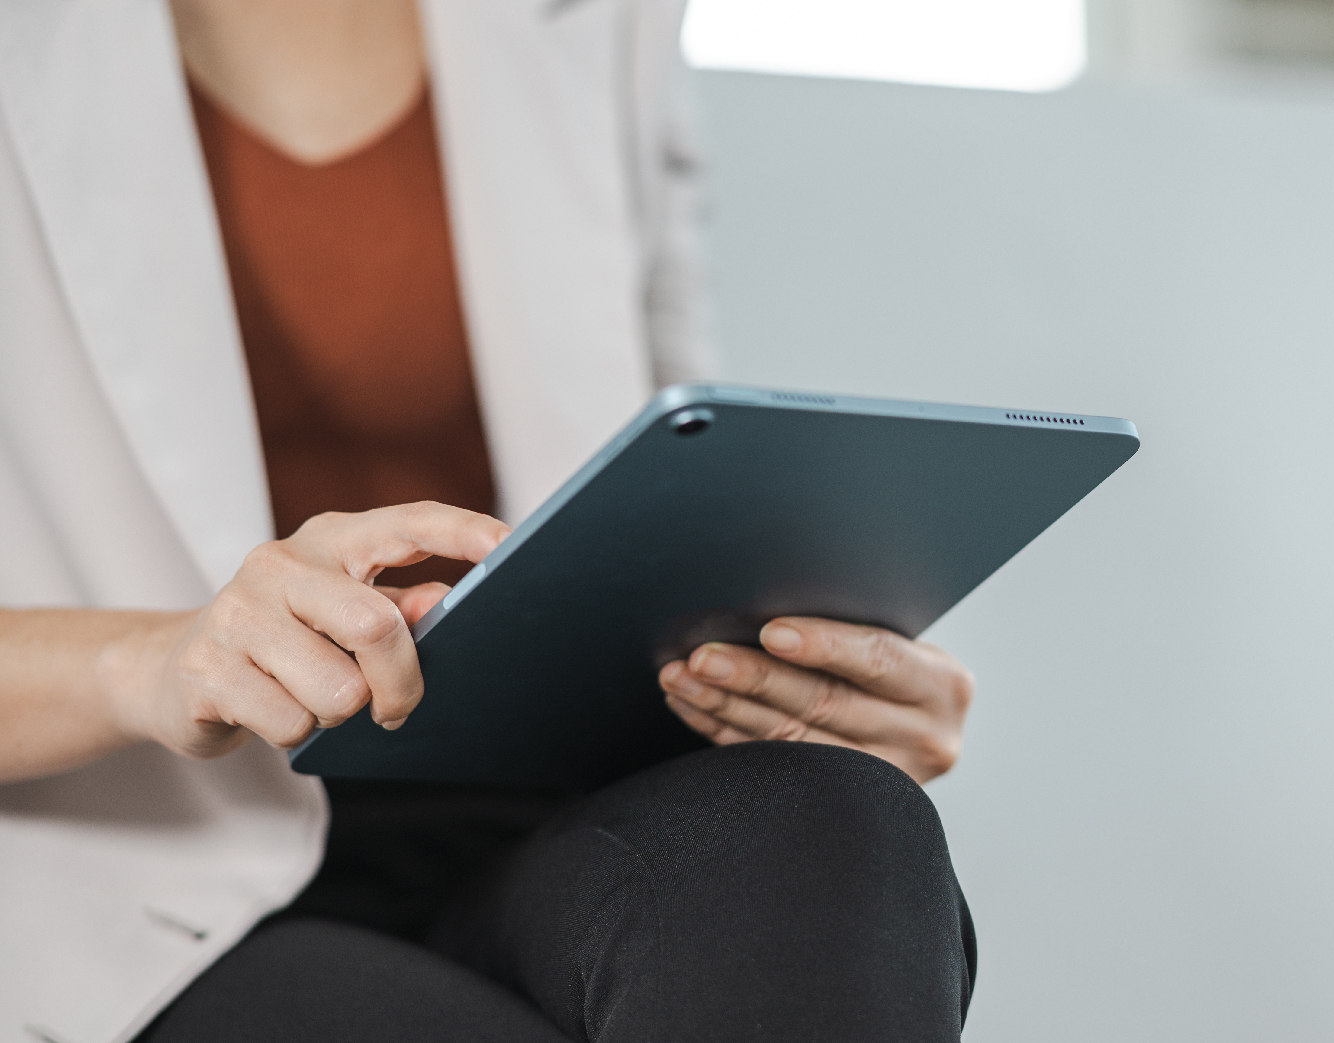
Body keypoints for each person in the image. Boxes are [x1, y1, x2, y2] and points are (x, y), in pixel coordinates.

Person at [0, 2, 976, 1040]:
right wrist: (154, 659)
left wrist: (792, 677)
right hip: (121, 862)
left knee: (832, 824)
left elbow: (671, 465)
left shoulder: (609, 20)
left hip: (542, 807)